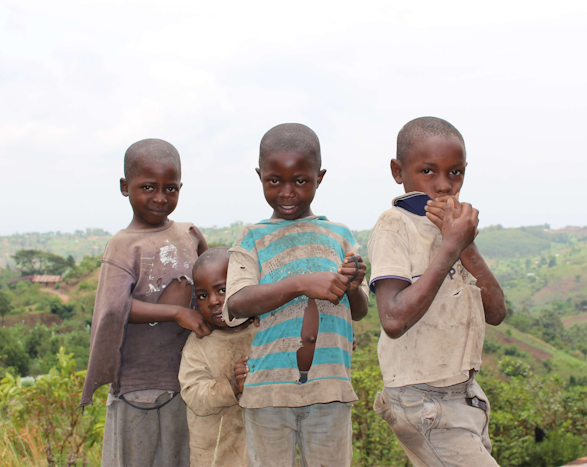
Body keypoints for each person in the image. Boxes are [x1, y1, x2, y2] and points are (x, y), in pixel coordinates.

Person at [221, 123, 369, 467]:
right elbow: (236, 304)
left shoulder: (340, 236)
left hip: (330, 390)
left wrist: (351, 284)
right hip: (268, 392)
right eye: (275, 181)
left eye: (301, 180)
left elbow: (359, 309)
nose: (287, 192)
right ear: (260, 176)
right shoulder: (252, 237)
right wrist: (300, 283)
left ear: (320, 176)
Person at [368, 117, 507, 466]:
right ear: (398, 171)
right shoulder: (394, 225)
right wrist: (450, 248)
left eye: (455, 173)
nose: (444, 185)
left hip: (464, 395)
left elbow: (497, 313)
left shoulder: (454, 230)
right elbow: (393, 318)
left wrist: (465, 246)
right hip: (424, 399)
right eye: (428, 172)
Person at [80, 138, 211, 467]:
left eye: (171, 189)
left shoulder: (190, 234)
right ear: (125, 187)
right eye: (148, 187)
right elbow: (115, 308)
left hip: (186, 383)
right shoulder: (123, 246)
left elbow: (212, 288)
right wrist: (177, 312)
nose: (160, 198)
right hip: (138, 388)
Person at [179, 247, 257, 466]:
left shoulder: (263, 330)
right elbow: (192, 394)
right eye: (203, 296)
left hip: (261, 450)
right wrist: (230, 387)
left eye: (222, 290)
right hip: (214, 456)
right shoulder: (199, 343)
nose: (213, 301)